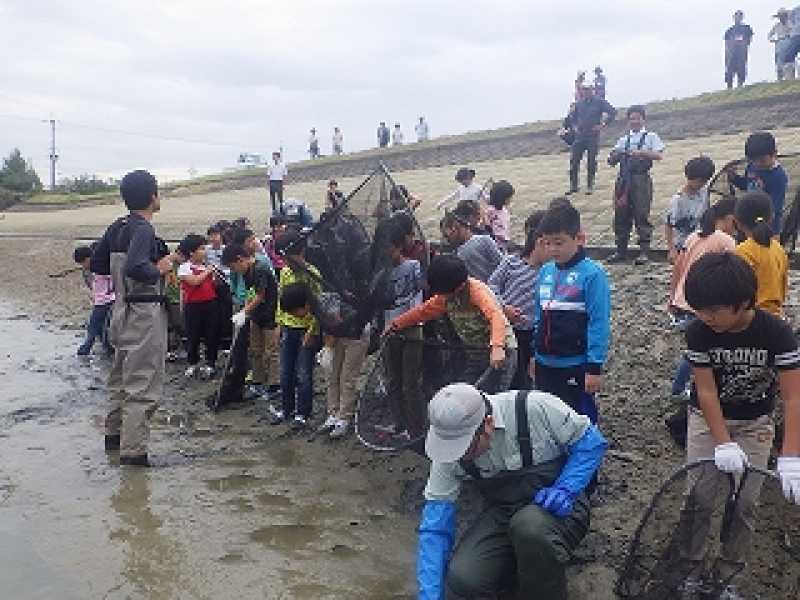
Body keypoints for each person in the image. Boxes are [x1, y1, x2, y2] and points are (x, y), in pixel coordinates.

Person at [680, 251, 800, 598]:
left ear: (743, 302)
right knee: (699, 498)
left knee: (745, 502)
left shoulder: (776, 333)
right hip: (706, 419)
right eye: (699, 309)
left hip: (755, 424)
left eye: (714, 310)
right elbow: (705, 391)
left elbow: (793, 397)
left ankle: (728, 578)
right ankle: (692, 571)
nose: (706, 317)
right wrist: (721, 442)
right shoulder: (699, 332)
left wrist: (790, 454)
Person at [416, 383, 608, 599]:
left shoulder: (534, 408)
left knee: (529, 528)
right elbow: (435, 527)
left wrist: (566, 488)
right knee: (463, 579)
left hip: (560, 510)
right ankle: (514, 578)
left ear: (487, 424)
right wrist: (429, 594)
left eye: (465, 448)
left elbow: (591, 442)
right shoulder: (448, 452)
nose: (457, 456)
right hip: (504, 513)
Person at [90, 169, 177, 466]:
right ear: (153, 197)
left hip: (120, 312)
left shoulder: (117, 226)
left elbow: (98, 264)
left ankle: (113, 441)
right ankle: (134, 456)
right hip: (143, 313)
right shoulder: (143, 228)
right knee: (142, 386)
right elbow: (137, 267)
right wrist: (161, 268)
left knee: (119, 380)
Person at [387, 255, 517, 393]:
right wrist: (396, 324)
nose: (441, 298)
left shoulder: (477, 292)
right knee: (466, 392)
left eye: (443, 294)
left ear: (459, 287)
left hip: (502, 352)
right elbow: (423, 311)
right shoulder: (444, 298)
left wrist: (497, 347)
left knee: (493, 395)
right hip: (476, 352)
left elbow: (496, 316)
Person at [531, 201, 611, 424]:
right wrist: (533, 353)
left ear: (579, 238)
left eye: (559, 242)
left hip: (574, 363)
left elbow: (599, 322)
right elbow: (539, 314)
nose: (553, 249)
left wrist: (594, 366)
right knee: (548, 414)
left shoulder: (593, 274)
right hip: (544, 362)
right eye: (548, 243)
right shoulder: (545, 271)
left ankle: (584, 454)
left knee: (579, 417)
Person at [280, 282, 369, 439]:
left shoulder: (325, 304)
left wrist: (327, 349)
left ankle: (344, 418)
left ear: (305, 304)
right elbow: (323, 326)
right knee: (332, 375)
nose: (295, 315)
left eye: (295, 311)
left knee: (347, 377)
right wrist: (319, 341)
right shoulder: (315, 306)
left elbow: (335, 325)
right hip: (340, 335)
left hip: (357, 334)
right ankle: (333, 414)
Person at [669, 197, 738, 397]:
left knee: (698, 346)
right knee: (699, 349)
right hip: (702, 302)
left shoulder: (694, 236)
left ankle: (685, 387)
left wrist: (673, 296)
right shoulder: (726, 242)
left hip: (685, 297)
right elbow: (734, 272)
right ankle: (681, 389)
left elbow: (679, 266)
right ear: (730, 219)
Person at [489, 210, 549, 390]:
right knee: (510, 373)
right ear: (537, 241)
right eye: (549, 243)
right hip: (508, 329)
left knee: (531, 375)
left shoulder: (549, 272)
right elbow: (491, 286)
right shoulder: (511, 262)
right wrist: (503, 307)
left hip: (534, 333)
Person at [376, 223, 426, 440]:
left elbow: (418, 298)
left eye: (389, 248)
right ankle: (399, 424)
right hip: (390, 331)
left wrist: (407, 321)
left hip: (412, 329)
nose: (386, 253)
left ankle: (417, 428)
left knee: (411, 382)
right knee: (393, 381)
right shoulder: (381, 274)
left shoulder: (414, 266)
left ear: (398, 247)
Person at [271, 231, 322, 427]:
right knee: (285, 372)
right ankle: (286, 409)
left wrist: (312, 331)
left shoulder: (313, 274)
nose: (286, 261)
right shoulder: (285, 273)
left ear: (301, 252)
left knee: (303, 373)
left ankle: (303, 412)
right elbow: (281, 299)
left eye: (288, 257)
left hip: (306, 330)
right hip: (288, 328)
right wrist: (278, 324)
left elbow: (319, 307)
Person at [606, 105, 665, 265]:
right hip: (623, 181)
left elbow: (658, 155)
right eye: (632, 118)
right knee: (620, 215)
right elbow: (610, 160)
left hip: (641, 180)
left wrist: (642, 153)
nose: (634, 121)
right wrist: (615, 156)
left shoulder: (651, 136)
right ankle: (621, 251)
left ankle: (644, 252)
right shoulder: (623, 140)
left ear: (643, 119)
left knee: (641, 215)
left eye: (637, 118)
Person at [222, 242, 280, 400]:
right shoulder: (246, 272)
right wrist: (246, 312)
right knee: (255, 350)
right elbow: (251, 293)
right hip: (256, 316)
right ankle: (258, 382)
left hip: (270, 314)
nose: (234, 270)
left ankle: (274, 385)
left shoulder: (260, 269)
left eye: (233, 267)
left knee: (271, 351)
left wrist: (244, 312)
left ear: (240, 259)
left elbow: (261, 296)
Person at [734, 191, 788, 316]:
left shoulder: (742, 251)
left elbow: (737, 291)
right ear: (771, 218)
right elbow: (783, 287)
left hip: (753, 317)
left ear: (737, 222)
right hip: (777, 316)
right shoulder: (778, 248)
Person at [728, 131, 788, 236]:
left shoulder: (778, 176)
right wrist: (734, 178)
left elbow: (775, 207)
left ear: (774, 154)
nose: (757, 164)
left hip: (769, 226)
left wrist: (760, 221)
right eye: (753, 160)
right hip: (749, 222)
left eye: (762, 160)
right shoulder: (752, 166)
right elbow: (746, 185)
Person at [177, 234, 220, 379]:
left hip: (211, 304)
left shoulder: (205, 266)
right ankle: (192, 362)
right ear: (191, 252)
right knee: (193, 335)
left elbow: (213, 285)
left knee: (212, 334)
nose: (205, 251)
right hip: (193, 306)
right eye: (201, 248)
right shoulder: (184, 267)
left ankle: (210, 362)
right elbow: (194, 282)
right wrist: (208, 271)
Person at [566, 84, 616, 195]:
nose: (586, 92)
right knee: (574, 160)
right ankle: (574, 186)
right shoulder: (579, 104)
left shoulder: (599, 102)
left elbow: (612, 112)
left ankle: (590, 185)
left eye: (588, 89)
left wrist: (603, 124)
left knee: (591, 161)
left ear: (592, 90)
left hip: (592, 136)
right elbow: (572, 118)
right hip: (580, 136)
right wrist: (574, 127)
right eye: (584, 90)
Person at [665, 156, 717, 262]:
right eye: (699, 181)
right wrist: (671, 249)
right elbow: (668, 225)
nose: (702, 184)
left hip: (702, 242)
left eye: (705, 181)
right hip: (683, 245)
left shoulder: (705, 192)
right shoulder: (678, 200)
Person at [440, 211, 504, 283]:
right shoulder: (485, 239)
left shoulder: (458, 257)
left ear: (456, 227)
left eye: (447, 235)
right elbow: (503, 264)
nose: (447, 240)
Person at [74, 245, 114, 356]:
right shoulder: (100, 266)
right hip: (105, 299)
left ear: (88, 259)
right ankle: (106, 346)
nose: (83, 266)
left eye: (83, 263)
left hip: (104, 301)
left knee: (93, 326)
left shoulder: (99, 267)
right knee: (102, 326)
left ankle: (86, 349)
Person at [724, 10, 754, 89]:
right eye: (736, 16)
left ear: (742, 17)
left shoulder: (746, 28)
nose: (737, 18)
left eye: (739, 16)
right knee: (730, 69)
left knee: (741, 67)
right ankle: (729, 87)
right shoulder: (729, 30)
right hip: (731, 52)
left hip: (741, 51)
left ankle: (740, 85)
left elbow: (749, 39)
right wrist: (727, 54)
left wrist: (742, 43)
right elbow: (726, 43)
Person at [485, 179, 514, 249]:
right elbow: (497, 233)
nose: (511, 199)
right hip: (497, 247)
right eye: (509, 197)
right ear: (501, 198)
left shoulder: (503, 210)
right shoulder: (491, 212)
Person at [770, 8, 794, 80]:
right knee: (779, 62)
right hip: (779, 44)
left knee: (789, 62)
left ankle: (790, 79)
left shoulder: (790, 24)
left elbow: (794, 32)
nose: (781, 17)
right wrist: (774, 40)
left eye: (783, 15)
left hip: (788, 43)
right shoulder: (776, 26)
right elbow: (770, 35)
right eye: (780, 16)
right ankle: (779, 79)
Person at [783, 5, 800, 76]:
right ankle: (789, 78)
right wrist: (794, 28)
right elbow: (790, 21)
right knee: (788, 56)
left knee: (788, 55)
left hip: (795, 35)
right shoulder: (795, 10)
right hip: (796, 35)